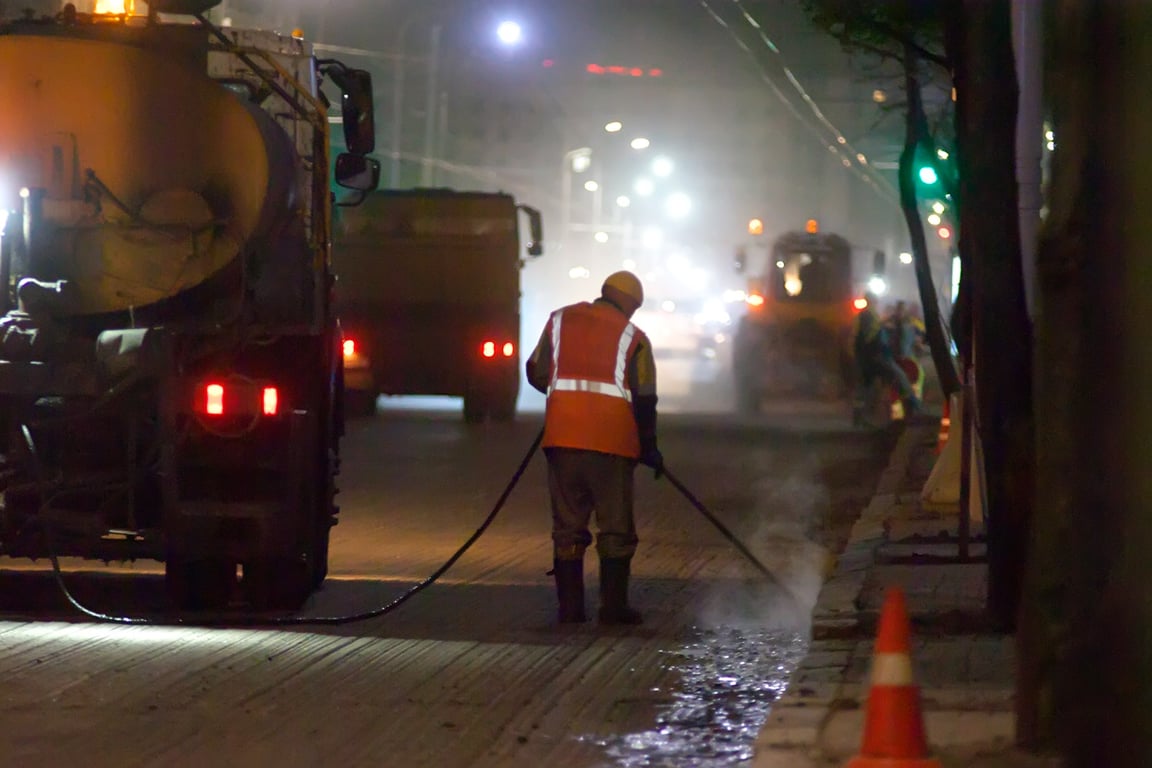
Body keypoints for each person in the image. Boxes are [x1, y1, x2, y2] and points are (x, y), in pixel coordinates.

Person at [526, 270, 662, 625]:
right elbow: (645, 398)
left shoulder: (560, 320)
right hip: (612, 444)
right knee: (615, 528)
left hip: (562, 440)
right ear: (631, 305)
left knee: (568, 527)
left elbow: (538, 372)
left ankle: (570, 609)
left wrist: (568, 402)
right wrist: (650, 446)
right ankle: (613, 608)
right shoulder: (635, 338)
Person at [852, 292, 920, 427]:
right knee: (900, 380)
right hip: (878, 357)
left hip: (868, 359)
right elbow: (873, 334)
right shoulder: (868, 315)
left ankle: (860, 419)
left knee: (865, 390)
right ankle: (913, 411)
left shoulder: (866, 316)